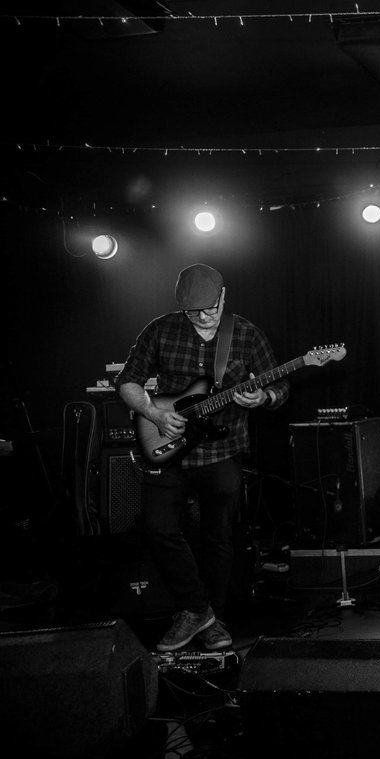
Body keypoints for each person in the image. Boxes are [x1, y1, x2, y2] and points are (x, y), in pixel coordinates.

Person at [117, 263, 288, 652]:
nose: (205, 317)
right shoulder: (160, 330)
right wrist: (154, 413)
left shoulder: (246, 334)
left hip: (221, 449)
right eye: (195, 312)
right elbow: (127, 381)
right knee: (158, 529)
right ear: (182, 307)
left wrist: (263, 396)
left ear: (223, 296)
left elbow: (279, 385)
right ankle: (198, 609)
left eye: (211, 308)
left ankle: (214, 619)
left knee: (218, 538)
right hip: (168, 446)